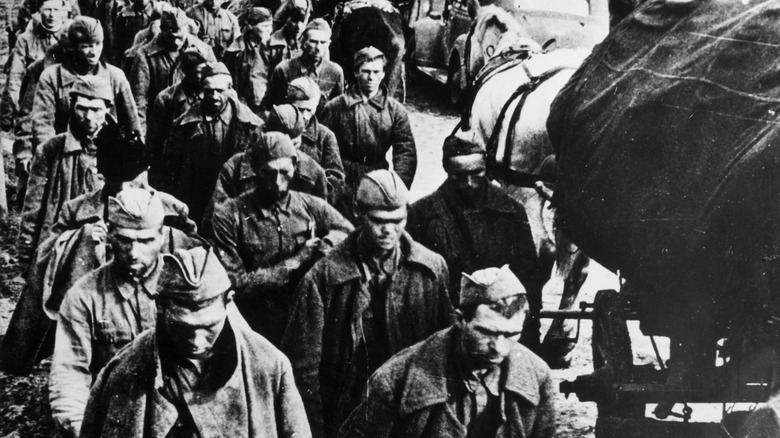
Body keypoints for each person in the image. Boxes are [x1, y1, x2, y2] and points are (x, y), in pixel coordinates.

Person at [281, 169, 454, 438]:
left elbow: (448, 346)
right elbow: (302, 371)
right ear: (358, 213)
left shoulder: (431, 269)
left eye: (398, 220)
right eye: (378, 221)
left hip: (412, 408)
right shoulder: (322, 278)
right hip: (349, 411)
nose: (389, 230)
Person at [80, 246, 313, 437]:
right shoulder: (125, 370)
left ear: (228, 302)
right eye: (183, 327)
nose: (196, 341)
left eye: (209, 327)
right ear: (160, 306)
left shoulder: (267, 366)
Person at [339, 265, 557, 438]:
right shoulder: (396, 380)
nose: (498, 347)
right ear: (461, 320)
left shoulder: (537, 377)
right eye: (486, 332)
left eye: (511, 335)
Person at [211, 131, 353, 345]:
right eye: (268, 173)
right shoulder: (229, 215)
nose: (277, 182)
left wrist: (326, 245)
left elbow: (350, 233)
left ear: (295, 167)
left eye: (284, 172)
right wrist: (297, 260)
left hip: (301, 322)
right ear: (255, 170)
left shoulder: (310, 206)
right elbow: (236, 284)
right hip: (251, 324)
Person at [407, 134, 546, 350]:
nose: (469, 183)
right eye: (459, 176)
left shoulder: (511, 210)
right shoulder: (422, 215)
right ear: (446, 169)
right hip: (449, 332)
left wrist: (529, 336)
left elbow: (530, 278)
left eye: (476, 173)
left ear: (486, 167)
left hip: (503, 330)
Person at [48, 188, 168, 438]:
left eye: (146, 241)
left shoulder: (189, 285)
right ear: (110, 236)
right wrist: (79, 428)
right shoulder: (84, 295)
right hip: (113, 420)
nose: (134, 253)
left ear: (163, 236)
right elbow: (69, 372)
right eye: (124, 240)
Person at [18, 75, 112, 273]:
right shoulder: (50, 150)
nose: (88, 116)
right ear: (72, 107)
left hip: (107, 253)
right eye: (82, 108)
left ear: (108, 109)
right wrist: (27, 257)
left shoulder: (122, 150)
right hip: (60, 248)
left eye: (96, 109)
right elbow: (33, 209)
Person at [159, 61, 262, 222]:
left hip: (233, 200)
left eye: (220, 91)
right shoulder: (182, 126)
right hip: (194, 198)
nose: (214, 96)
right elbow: (170, 171)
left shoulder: (251, 126)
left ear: (230, 89)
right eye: (208, 91)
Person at [203, 104, 329, 235]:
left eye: (293, 145)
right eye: (276, 145)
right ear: (263, 133)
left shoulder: (313, 172)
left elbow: (323, 227)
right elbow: (214, 221)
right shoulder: (235, 167)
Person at [320, 47, 416, 220]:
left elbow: (406, 153)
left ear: (383, 74)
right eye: (365, 71)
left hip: (377, 178)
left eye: (376, 72)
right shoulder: (335, 107)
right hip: (343, 179)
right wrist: (330, 185)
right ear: (356, 73)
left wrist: (394, 188)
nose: (371, 77)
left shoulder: (395, 111)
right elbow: (321, 147)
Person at [32, 16, 140, 149]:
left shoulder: (115, 77)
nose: (94, 51)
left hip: (106, 155)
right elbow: (42, 125)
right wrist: (51, 156)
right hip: (64, 152)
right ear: (74, 47)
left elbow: (131, 124)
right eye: (86, 46)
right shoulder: (52, 77)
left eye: (98, 44)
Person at [130, 9, 216, 133]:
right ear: (162, 30)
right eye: (170, 37)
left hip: (197, 125)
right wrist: (141, 134)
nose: (176, 43)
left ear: (186, 28)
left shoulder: (204, 50)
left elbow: (217, 84)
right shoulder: (145, 55)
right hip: (160, 125)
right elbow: (138, 101)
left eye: (179, 37)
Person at [1, 0, 67, 130]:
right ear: (39, 11)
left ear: (63, 12)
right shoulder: (26, 39)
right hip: (34, 102)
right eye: (47, 9)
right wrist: (8, 116)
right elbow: (14, 78)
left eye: (56, 10)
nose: (52, 15)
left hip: (63, 102)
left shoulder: (70, 38)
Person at [286, 76, 346, 205]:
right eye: (300, 109)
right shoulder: (274, 128)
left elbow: (336, 182)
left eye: (309, 110)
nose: (304, 116)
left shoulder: (325, 137)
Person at [263, 18, 343, 114]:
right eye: (313, 41)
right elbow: (268, 107)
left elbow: (338, 110)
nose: (318, 48)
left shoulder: (335, 72)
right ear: (303, 42)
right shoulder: (284, 69)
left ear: (329, 44)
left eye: (323, 42)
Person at [146, 48, 207, 171]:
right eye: (198, 72)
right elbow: (155, 137)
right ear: (185, 72)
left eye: (205, 71)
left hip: (203, 161)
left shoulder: (212, 94)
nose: (203, 76)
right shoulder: (166, 98)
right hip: (175, 161)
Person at [222, 7, 274, 116]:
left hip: (268, 106)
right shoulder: (234, 53)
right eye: (265, 26)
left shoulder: (274, 48)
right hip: (243, 106)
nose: (270, 30)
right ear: (250, 26)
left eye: (271, 25)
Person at [267, 4, 305, 72]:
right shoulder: (268, 43)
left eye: (302, 21)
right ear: (285, 20)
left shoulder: (314, 43)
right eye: (294, 21)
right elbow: (259, 75)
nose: (299, 26)